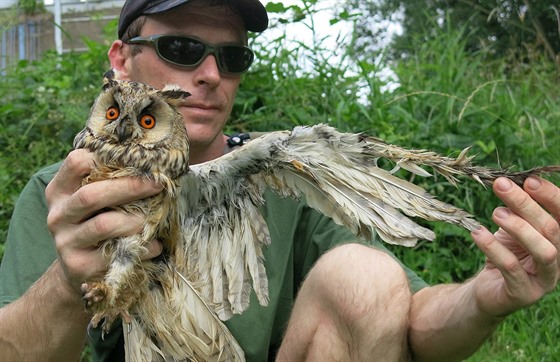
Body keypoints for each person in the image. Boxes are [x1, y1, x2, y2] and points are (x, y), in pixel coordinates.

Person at [0, 0, 558, 360]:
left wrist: (486, 298)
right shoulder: (64, 193)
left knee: (364, 273)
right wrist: (67, 284)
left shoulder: (274, 182)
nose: (211, 73)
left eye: (232, 55)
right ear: (121, 59)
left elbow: (407, 320)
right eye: (181, 48)